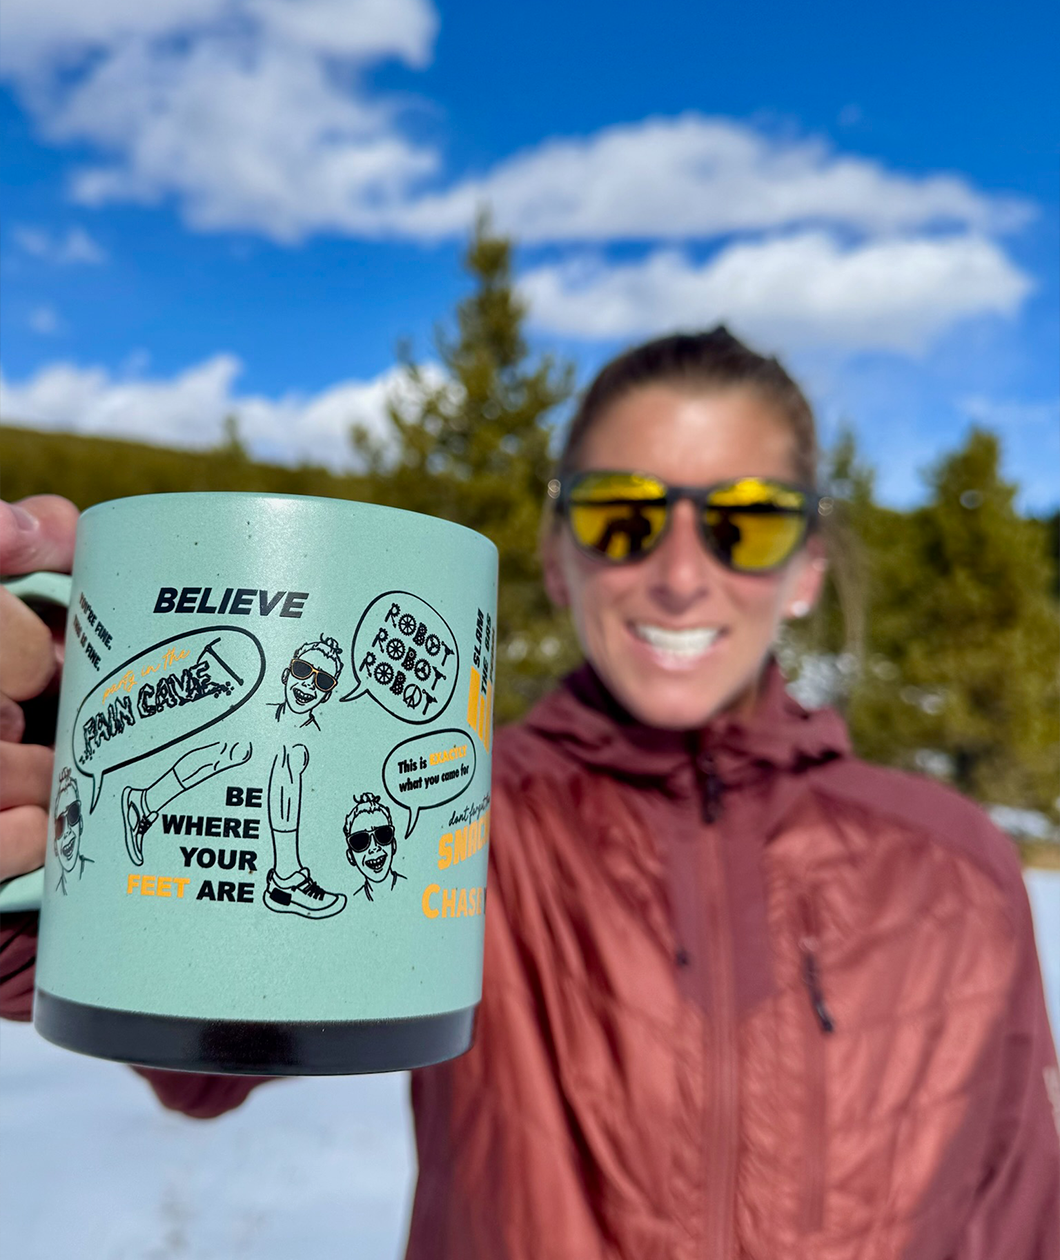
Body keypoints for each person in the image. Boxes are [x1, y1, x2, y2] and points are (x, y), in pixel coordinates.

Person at [1, 329, 1057, 1258]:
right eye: (620, 516)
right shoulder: (465, 812)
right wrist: (69, 811)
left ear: (809, 567)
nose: (680, 574)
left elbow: (1021, 1214)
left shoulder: (953, 862)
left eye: (745, 522)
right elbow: (207, 1047)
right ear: (558, 558)